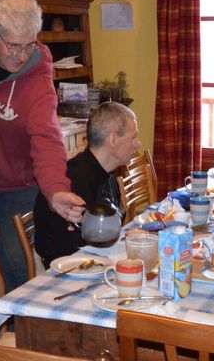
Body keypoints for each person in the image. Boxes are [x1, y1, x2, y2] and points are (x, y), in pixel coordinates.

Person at [0, 0, 85, 292]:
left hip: (19, 190)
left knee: (17, 266)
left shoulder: (38, 82)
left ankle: (19, 329)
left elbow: (47, 139)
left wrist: (56, 189)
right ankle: (2, 326)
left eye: (29, 45)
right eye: (14, 46)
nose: (22, 56)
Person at [33, 102, 140, 266]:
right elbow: (64, 252)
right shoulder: (72, 183)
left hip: (97, 258)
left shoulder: (107, 175)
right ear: (113, 139)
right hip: (65, 271)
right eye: (133, 137)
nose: (137, 144)